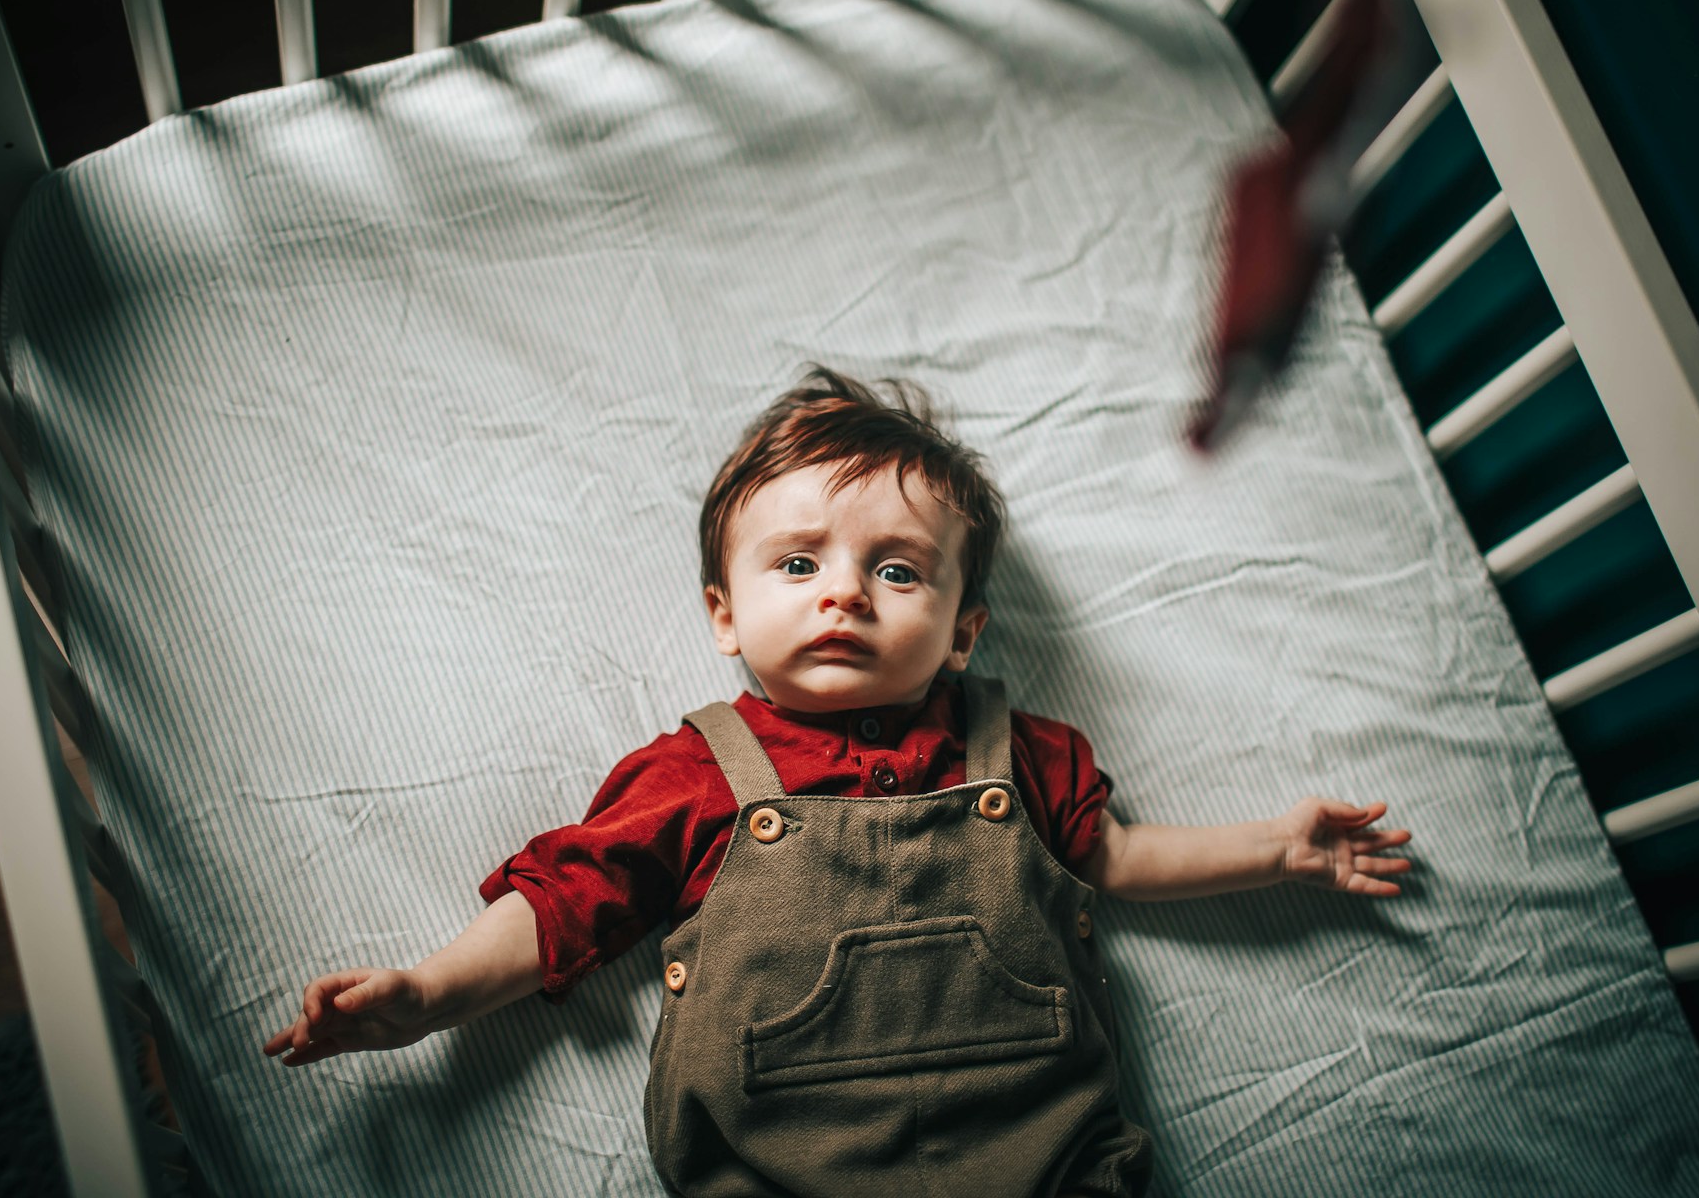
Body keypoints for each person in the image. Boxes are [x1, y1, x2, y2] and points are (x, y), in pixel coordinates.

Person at [263, 367, 1413, 1196]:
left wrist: (1275, 846)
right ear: (725, 612)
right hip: (775, 1161)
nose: (845, 591)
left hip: (1042, 1150)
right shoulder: (696, 775)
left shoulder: (1017, 748)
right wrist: (426, 991)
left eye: (896, 568)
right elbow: (565, 904)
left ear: (963, 631)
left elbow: (1114, 856)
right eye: (799, 561)